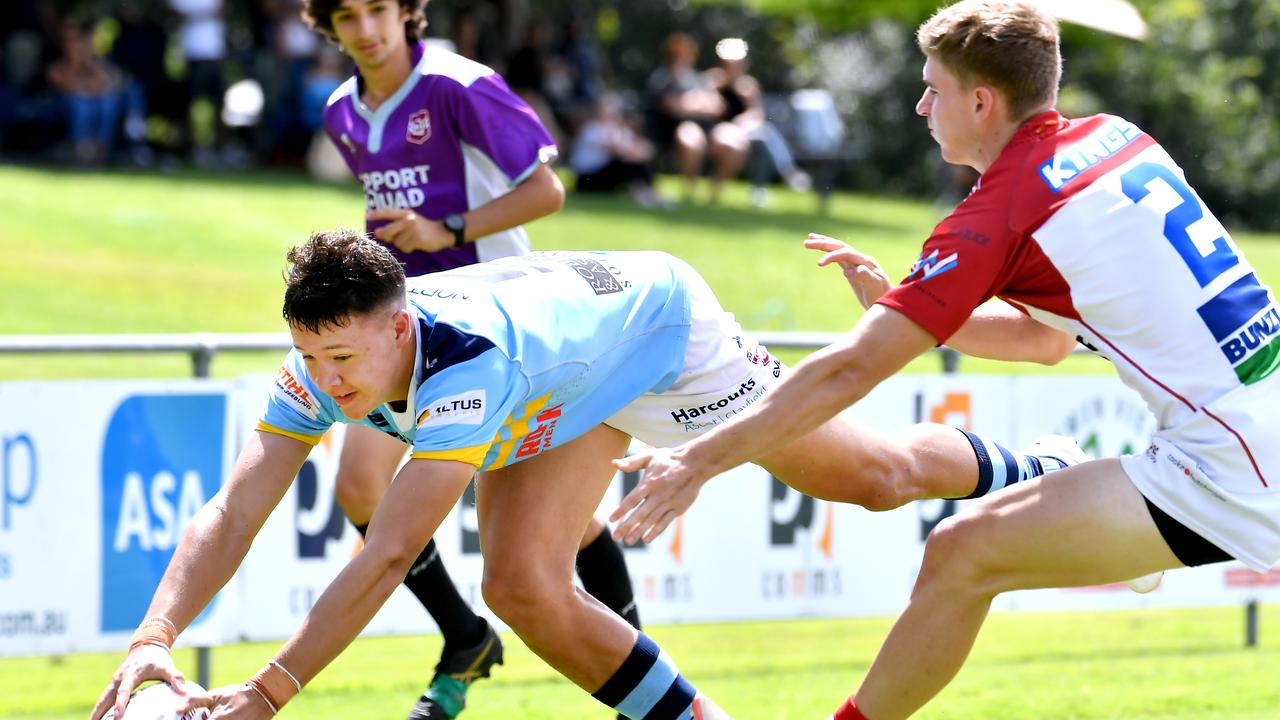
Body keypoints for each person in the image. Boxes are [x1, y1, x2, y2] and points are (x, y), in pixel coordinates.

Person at [92, 231, 1097, 720]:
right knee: (519, 585)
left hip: (663, 337)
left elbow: (392, 548)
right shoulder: (325, 360)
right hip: (568, 371)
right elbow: (236, 505)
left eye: (346, 362)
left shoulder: (460, 370)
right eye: (314, 360)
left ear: (397, 327)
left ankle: (1046, 468)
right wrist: (153, 638)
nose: (329, 382)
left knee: (872, 478)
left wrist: (265, 697)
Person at [608, 2, 1280, 718]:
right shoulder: (1119, 140)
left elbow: (847, 371)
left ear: (983, 101)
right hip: (1244, 436)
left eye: (934, 87)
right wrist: (916, 305)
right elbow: (1047, 340)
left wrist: (700, 459)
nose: (922, 104)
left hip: (1235, 469)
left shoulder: (1004, 210)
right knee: (961, 553)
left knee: (961, 556)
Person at [300, 1, 643, 718]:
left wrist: (446, 227)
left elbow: (547, 190)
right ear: (326, 24)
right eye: (347, 14)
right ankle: (465, 638)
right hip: (401, 339)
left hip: (498, 338)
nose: (366, 28)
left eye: (378, 9)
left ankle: (641, 671)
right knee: (360, 487)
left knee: (565, 526)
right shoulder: (341, 111)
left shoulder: (459, 84)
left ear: (406, 12)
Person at [703, 38, 810, 208]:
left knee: (765, 136)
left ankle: (766, 185)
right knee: (764, 137)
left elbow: (756, 113)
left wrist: (743, 117)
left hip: (743, 132)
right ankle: (785, 173)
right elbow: (711, 108)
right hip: (718, 132)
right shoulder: (714, 81)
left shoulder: (747, 85)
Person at [644, 33, 736, 203]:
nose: (682, 58)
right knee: (691, 137)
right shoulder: (661, 79)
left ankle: (715, 193)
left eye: (686, 54)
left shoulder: (699, 79)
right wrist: (697, 102)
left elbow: (718, 107)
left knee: (735, 141)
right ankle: (690, 191)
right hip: (671, 134)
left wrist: (690, 102)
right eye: (676, 54)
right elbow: (674, 107)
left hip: (708, 130)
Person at [569, 93, 672, 209]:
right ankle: (640, 192)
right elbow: (618, 150)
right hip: (587, 179)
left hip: (604, 176)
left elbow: (644, 149)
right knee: (624, 164)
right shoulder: (591, 130)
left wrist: (639, 153)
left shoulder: (618, 130)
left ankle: (648, 191)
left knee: (635, 163)